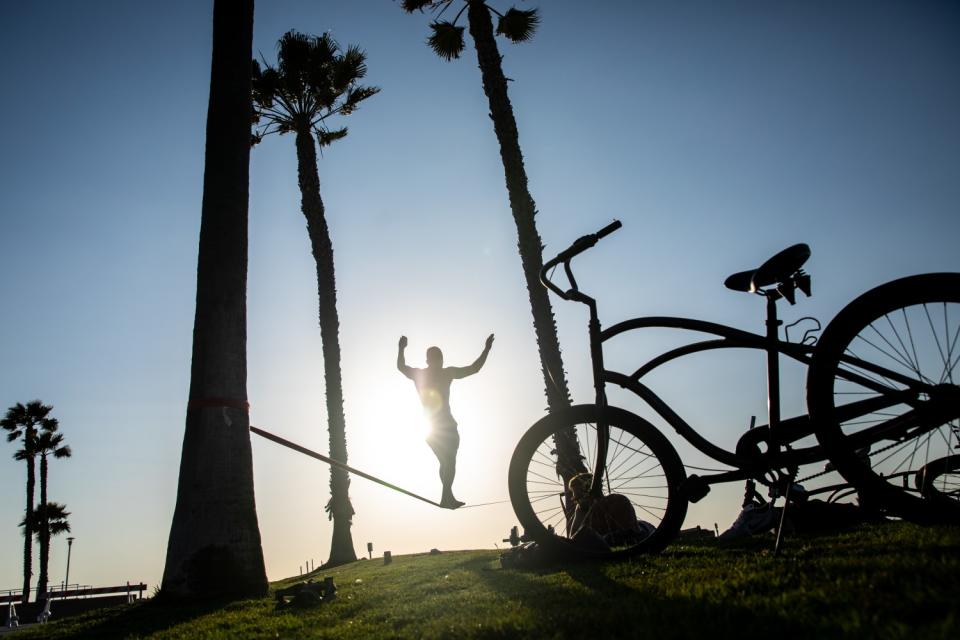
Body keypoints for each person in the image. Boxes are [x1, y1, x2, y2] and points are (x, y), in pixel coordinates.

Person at [397, 333, 494, 509]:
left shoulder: (446, 373)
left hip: (447, 426)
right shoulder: (422, 374)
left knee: (447, 462)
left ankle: (448, 496)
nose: (439, 362)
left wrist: (486, 350)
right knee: (448, 461)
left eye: (440, 359)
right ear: (428, 361)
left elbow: (473, 368)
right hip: (432, 428)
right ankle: (446, 497)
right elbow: (401, 366)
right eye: (436, 359)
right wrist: (401, 348)